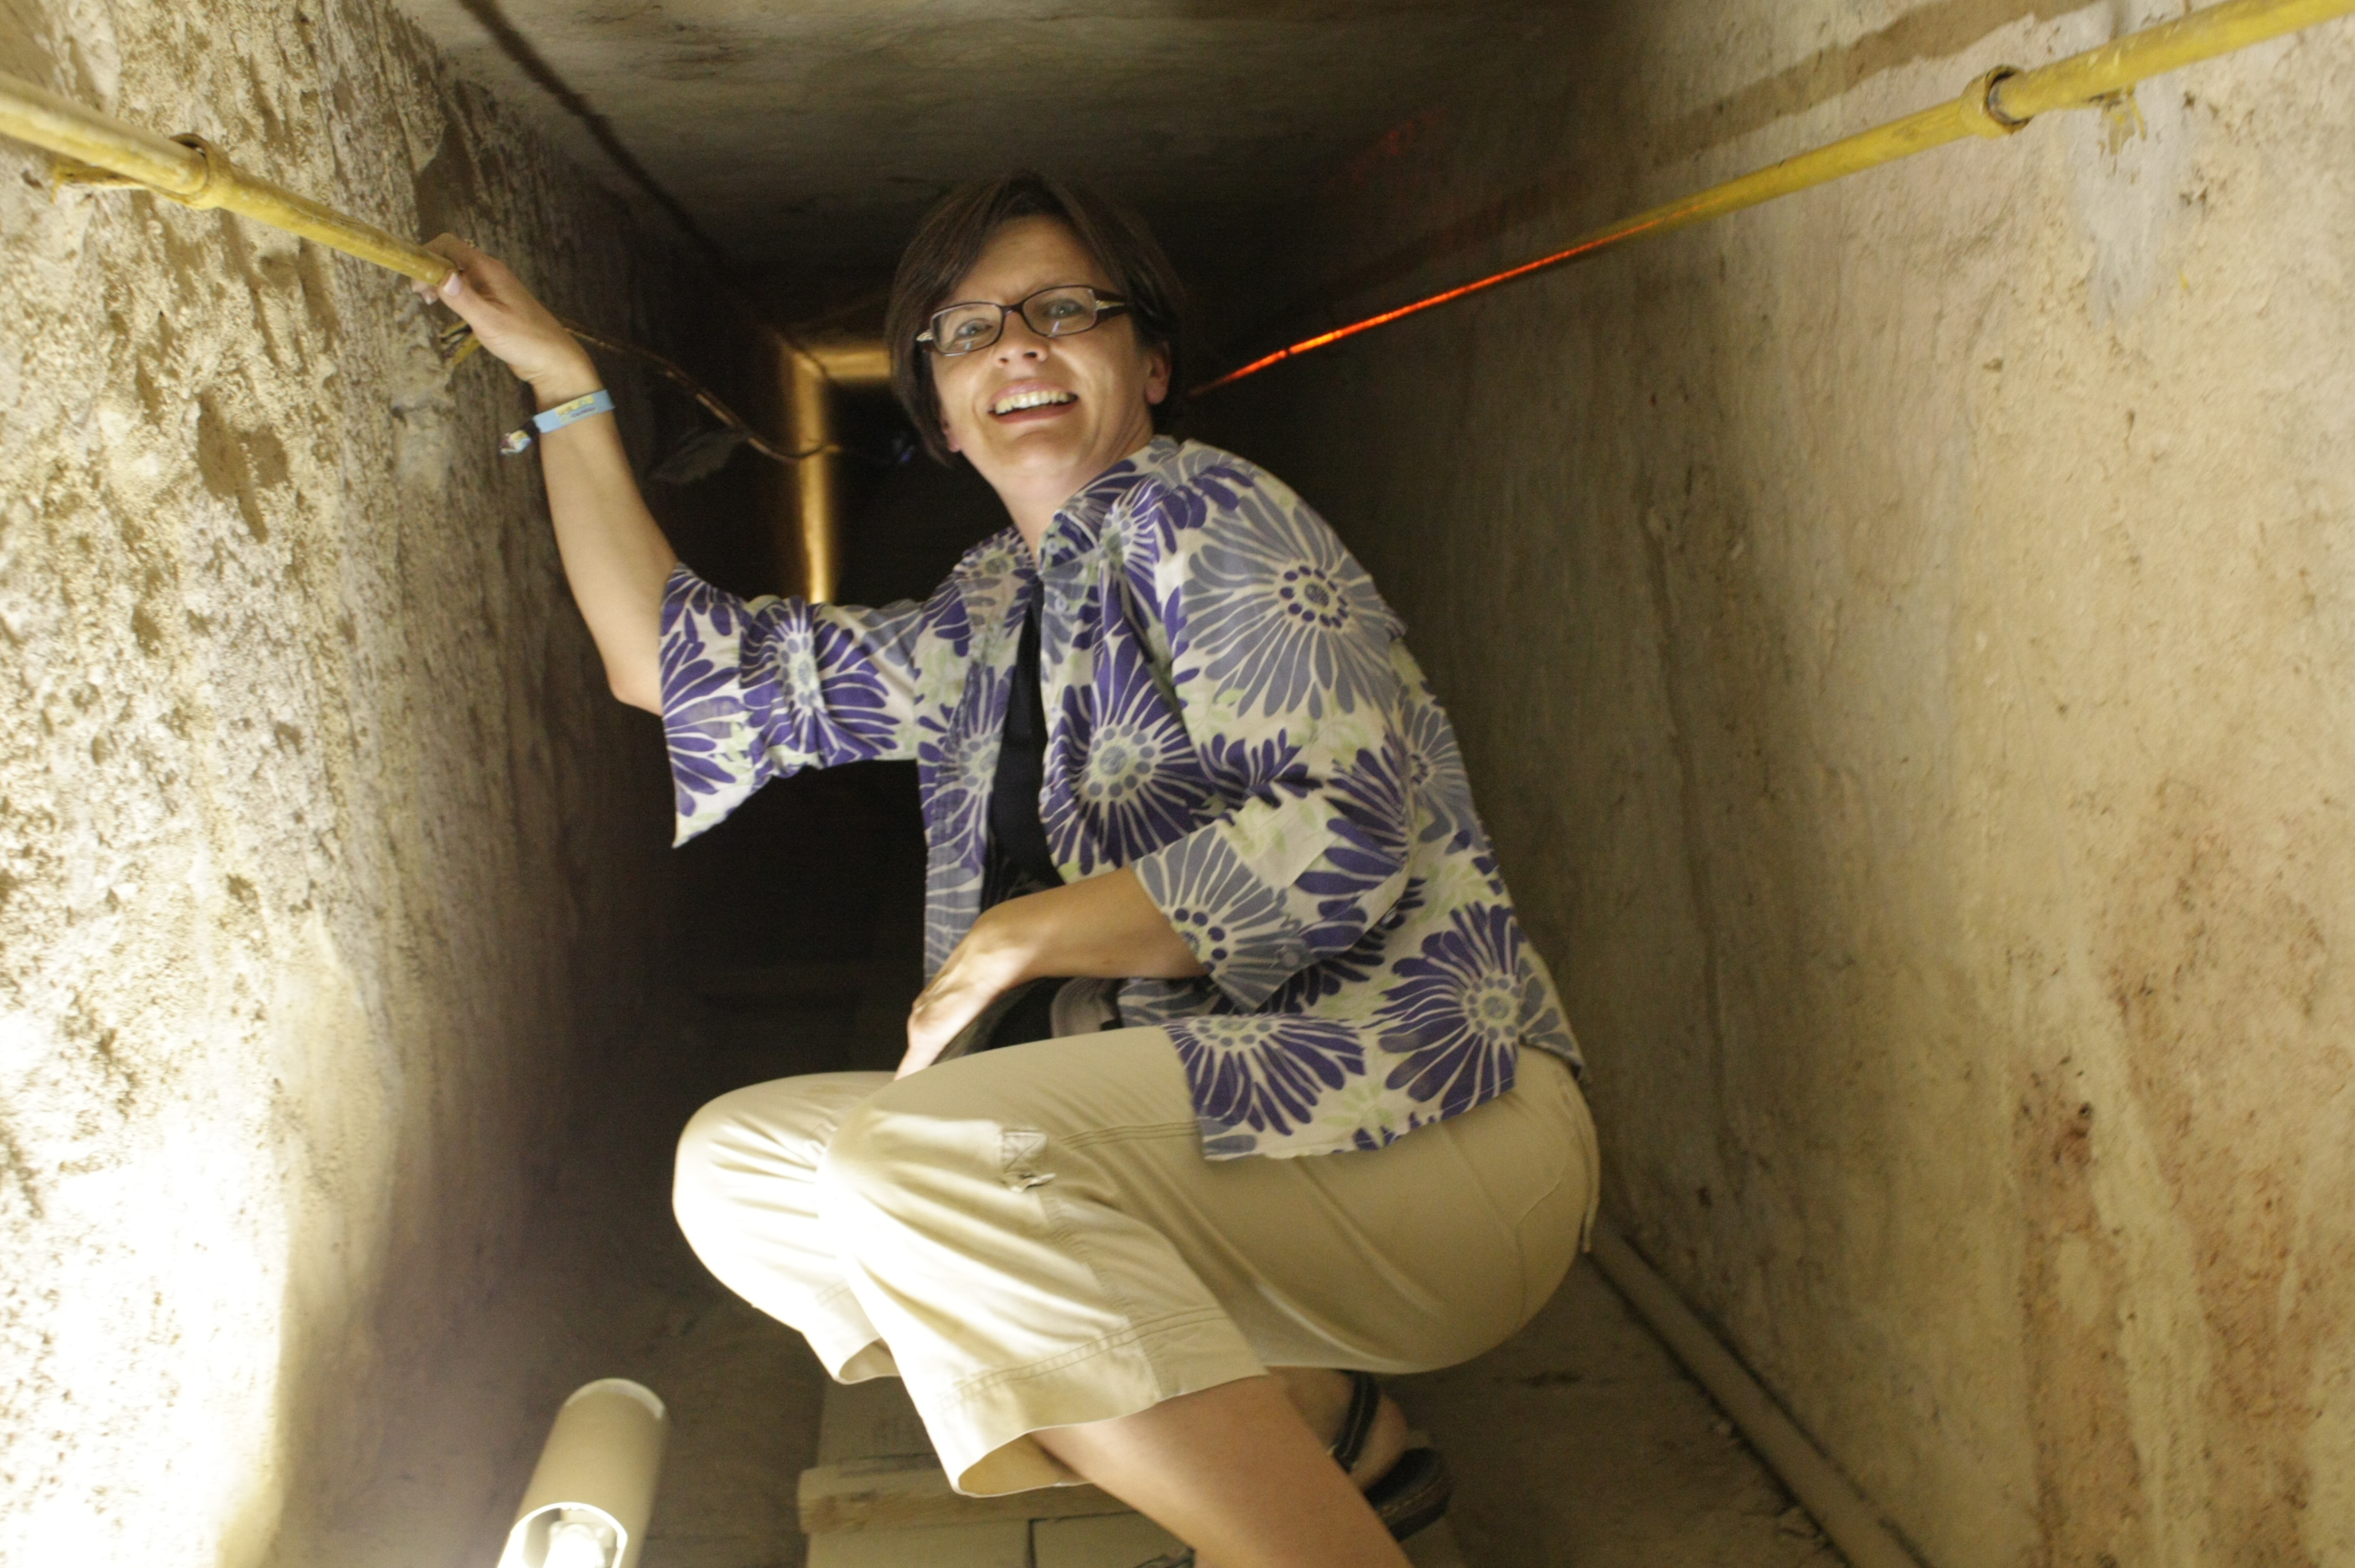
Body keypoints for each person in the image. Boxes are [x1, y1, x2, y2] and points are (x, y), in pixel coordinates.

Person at [420, 172, 1597, 1568]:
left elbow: (1343, 836)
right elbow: (678, 670)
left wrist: (1025, 935)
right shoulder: (986, 611)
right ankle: (1326, 1434)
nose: (1018, 346)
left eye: (1065, 310)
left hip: (1433, 1128)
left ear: (1149, 363)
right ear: (936, 400)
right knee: (743, 1174)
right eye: (970, 329)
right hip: (1231, 1159)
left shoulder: (1210, 514)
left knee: (920, 1160)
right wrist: (565, 388)